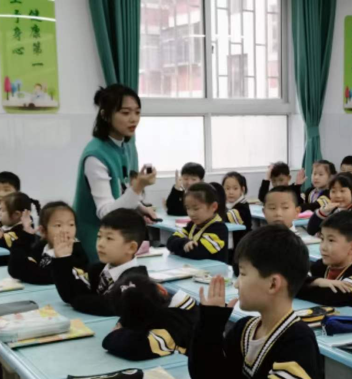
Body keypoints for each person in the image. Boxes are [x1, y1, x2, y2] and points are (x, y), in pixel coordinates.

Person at [188, 225, 335, 379]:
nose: (236, 283)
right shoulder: (244, 329)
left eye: (243, 273)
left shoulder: (298, 338)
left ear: (273, 284)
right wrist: (211, 324)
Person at [73, 84, 158, 262]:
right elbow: (106, 213)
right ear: (105, 115)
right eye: (125, 113)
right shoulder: (95, 155)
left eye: (137, 112)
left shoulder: (126, 145)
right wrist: (138, 187)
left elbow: (121, 189)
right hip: (96, 240)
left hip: (119, 238)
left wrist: (141, 208)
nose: (133, 119)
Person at [50, 208, 149, 316]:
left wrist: (75, 299)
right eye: (99, 236)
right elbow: (70, 294)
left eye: (109, 238)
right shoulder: (97, 269)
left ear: (131, 247)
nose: (100, 243)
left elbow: (109, 305)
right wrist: (62, 259)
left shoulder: (137, 280)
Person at [102, 275, 198, 361]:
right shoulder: (159, 309)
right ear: (161, 289)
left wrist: (116, 333)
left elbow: (132, 347)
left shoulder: (173, 325)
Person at [298, 212, 352, 310]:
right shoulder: (319, 266)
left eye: (331, 240)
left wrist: (310, 284)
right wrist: (318, 281)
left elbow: (332, 298)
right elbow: (293, 283)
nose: (323, 247)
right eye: (322, 239)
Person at [8, 202, 88, 285]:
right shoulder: (42, 247)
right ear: (43, 231)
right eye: (58, 225)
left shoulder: (75, 252)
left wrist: (26, 270)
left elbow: (47, 276)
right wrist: (26, 235)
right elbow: (15, 269)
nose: (66, 230)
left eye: (71, 224)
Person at [167, 183, 228, 263]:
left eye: (196, 209)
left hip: (211, 270)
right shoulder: (192, 225)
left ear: (213, 206)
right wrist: (185, 243)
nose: (191, 213)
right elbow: (170, 241)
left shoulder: (219, 229)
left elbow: (197, 253)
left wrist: (179, 247)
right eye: (188, 208)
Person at [307, 173, 352, 246]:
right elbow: (311, 230)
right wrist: (322, 212)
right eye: (333, 191)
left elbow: (351, 237)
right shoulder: (333, 209)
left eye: (342, 191)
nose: (338, 195)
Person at [223, 171, 252, 250]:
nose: (231, 192)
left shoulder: (242, 206)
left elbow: (226, 217)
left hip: (241, 246)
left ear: (242, 190)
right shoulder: (227, 204)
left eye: (235, 188)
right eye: (227, 188)